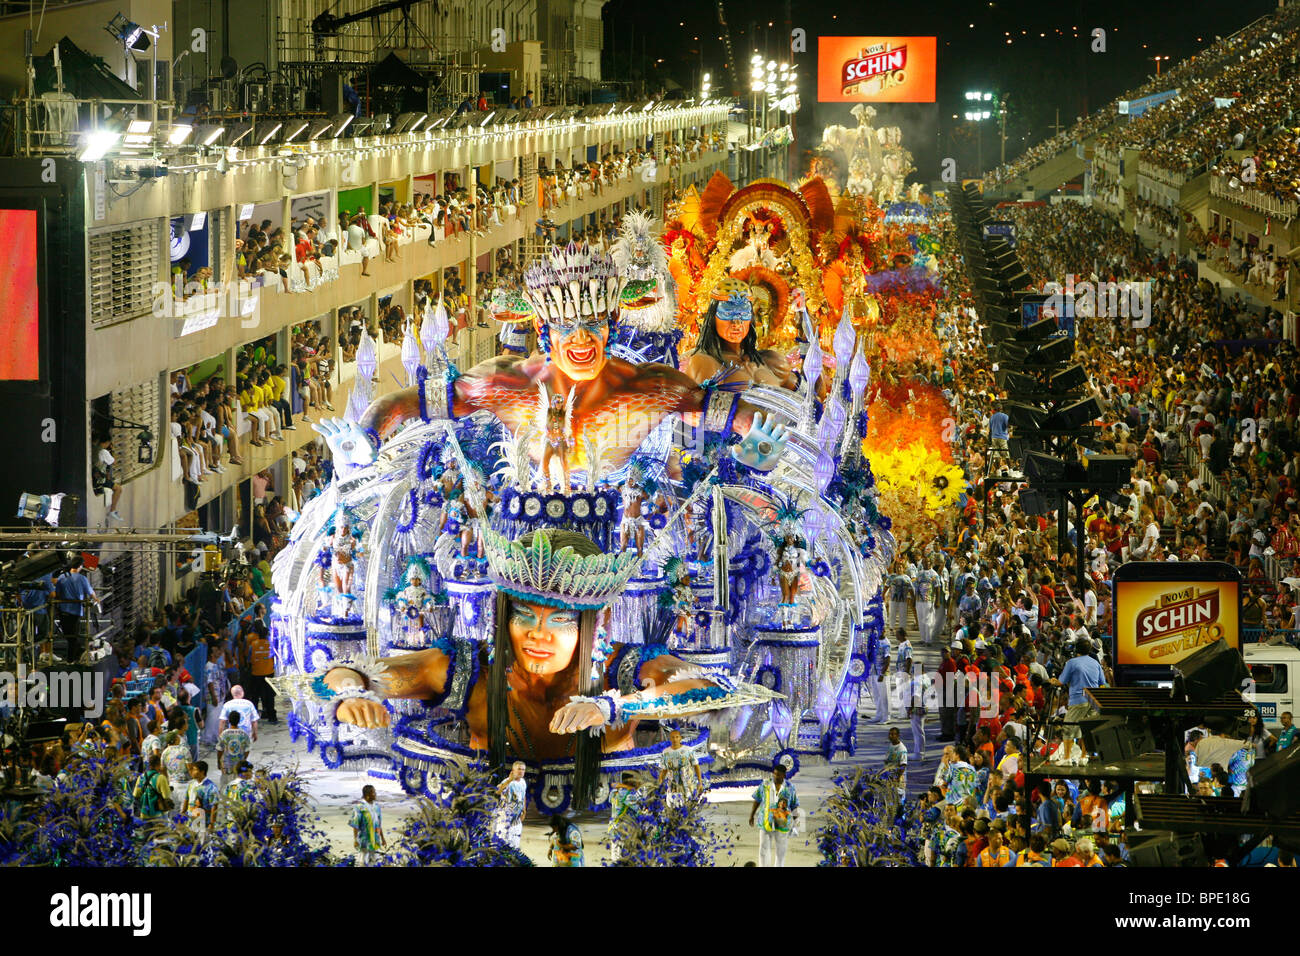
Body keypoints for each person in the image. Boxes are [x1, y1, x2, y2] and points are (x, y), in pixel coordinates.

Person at [1050, 638, 1106, 762]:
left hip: (1078, 699)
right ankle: (1083, 757)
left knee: (1068, 728)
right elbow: (1103, 682)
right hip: (1094, 701)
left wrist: (1053, 681)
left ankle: (1067, 758)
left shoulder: (1072, 662)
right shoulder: (1095, 663)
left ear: (1076, 649)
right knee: (1086, 729)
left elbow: (1061, 682)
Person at [749, 763, 798, 867]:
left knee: (781, 851)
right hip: (765, 822)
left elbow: (794, 805)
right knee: (763, 849)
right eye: (774, 774)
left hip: (782, 824)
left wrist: (794, 824)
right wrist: (752, 815)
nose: (776, 776)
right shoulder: (765, 785)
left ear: (784, 775)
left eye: (779, 775)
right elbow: (757, 799)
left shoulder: (790, 788)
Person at [55, 558, 98, 664]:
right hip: (76, 612)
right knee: (74, 637)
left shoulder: (62, 577)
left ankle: (73, 658)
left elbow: (57, 593)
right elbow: (90, 592)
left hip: (63, 611)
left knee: (69, 636)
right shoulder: (82, 579)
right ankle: (72, 659)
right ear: (80, 566)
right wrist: (96, 599)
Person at [657, 727, 702, 806]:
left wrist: (700, 782)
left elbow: (696, 765)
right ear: (670, 738)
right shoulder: (666, 752)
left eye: (677, 737)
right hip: (672, 782)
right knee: (673, 802)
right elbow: (664, 769)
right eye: (673, 737)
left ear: (680, 738)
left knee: (688, 802)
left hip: (687, 781)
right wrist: (660, 783)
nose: (675, 739)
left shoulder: (688, 750)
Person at [607, 771, 641, 862]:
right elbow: (639, 809)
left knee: (615, 856)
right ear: (631, 781)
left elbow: (612, 795)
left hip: (613, 827)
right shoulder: (628, 794)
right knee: (623, 858)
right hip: (623, 830)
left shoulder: (614, 792)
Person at [349, 784, 386, 865]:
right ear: (367, 795)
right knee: (362, 862)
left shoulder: (376, 807)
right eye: (373, 792)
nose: (375, 794)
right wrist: (355, 840)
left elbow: (379, 825)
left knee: (375, 861)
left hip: (375, 839)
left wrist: (383, 839)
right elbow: (355, 825)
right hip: (364, 841)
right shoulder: (359, 807)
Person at [494, 761, 527, 848]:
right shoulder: (507, 782)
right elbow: (497, 792)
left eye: (523, 769)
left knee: (515, 846)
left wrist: (524, 810)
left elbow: (523, 796)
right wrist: (509, 780)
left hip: (516, 821)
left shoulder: (523, 782)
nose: (521, 771)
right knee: (502, 845)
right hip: (504, 820)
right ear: (513, 770)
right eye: (519, 769)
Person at [216, 710, 252, 789]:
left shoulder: (224, 734)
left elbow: (220, 749)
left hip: (227, 765)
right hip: (239, 765)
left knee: (225, 786)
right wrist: (244, 759)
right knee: (239, 785)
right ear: (239, 721)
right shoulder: (243, 734)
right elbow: (247, 750)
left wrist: (219, 761)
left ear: (228, 720)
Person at [183, 760, 218, 838]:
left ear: (202, 772)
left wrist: (211, 824)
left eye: (195, 769)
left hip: (204, 821)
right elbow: (186, 799)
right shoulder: (191, 784)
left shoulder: (211, 787)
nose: (192, 772)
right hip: (190, 820)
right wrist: (182, 813)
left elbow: (214, 806)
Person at [132, 752, 172, 820]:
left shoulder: (141, 777)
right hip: (158, 814)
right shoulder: (161, 778)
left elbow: (136, 794)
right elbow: (167, 796)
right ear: (158, 765)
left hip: (144, 814)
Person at [884, 725, 909, 795]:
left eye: (892, 734)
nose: (890, 736)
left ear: (898, 735)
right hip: (891, 774)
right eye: (889, 734)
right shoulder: (891, 745)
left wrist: (898, 777)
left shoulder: (902, 749)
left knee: (899, 794)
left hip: (899, 775)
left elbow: (903, 764)